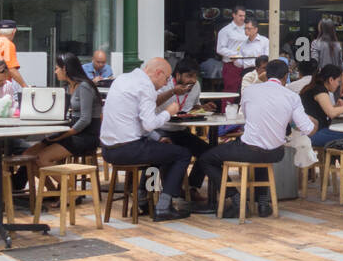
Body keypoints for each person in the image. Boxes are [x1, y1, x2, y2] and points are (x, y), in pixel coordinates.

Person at [200, 59, 314, 218]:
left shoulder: (250, 91)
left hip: (249, 149)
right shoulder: (292, 97)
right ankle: (262, 203)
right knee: (261, 151)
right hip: (276, 152)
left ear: (265, 74)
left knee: (206, 158)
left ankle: (235, 197)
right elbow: (307, 128)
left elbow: (246, 117)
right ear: (286, 76)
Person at [99, 58, 190, 222]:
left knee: (159, 152)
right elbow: (148, 124)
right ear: (158, 73)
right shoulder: (146, 86)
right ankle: (163, 206)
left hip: (108, 149)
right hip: (128, 149)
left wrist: (158, 137)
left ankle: (144, 198)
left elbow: (134, 121)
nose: (166, 84)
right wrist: (169, 112)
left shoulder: (123, 79)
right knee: (183, 154)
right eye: (167, 78)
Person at [149, 57, 214, 201]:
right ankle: (151, 194)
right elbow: (151, 103)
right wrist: (173, 92)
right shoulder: (164, 84)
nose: (193, 80)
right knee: (162, 157)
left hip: (181, 130)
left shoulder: (195, 86)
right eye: (189, 76)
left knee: (207, 152)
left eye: (195, 76)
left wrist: (202, 108)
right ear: (177, 75)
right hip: (161, 129)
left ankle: (191, 187)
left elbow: (192, 106)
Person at [30, 53, 102, 173]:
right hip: (72, 133)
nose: (55, 71)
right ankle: (53, 190)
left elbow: (85, 120)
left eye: (57, 68)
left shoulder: (84, 87)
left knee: (41, 158)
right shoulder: (69, 86)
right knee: (29, 155)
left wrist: (64, 135)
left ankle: (67, 189)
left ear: (65, 69)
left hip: (85, 136)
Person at [215, 5, 249, 93]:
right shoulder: (225, 30)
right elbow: (220, 48)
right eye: (240, 16)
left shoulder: (248, 29)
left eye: (244, 16)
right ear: (234, 15)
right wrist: (236, 54)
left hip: (247, 65)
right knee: (231, 91)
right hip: (231, 66)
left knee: (246, 91)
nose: (242, 18)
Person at [310, 18, 343, 92]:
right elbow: (341, 66)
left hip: (321, 80)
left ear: (321, 28)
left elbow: (314, 62)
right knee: (334, 102)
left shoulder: (316, 43)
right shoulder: (338, 45)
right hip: (336, 80)